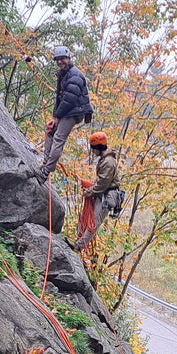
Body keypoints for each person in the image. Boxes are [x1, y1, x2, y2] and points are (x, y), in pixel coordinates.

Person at [38, 47, 93, 180]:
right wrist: (54, 117)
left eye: (62, 59)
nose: (60, 62)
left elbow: (69, 100)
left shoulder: (74, 75)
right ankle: (45, 165)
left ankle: (46, 171)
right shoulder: (64, 74)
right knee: (50, 132)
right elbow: (60, 98)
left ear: (69, 58)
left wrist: (58, 117)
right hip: (69, 110)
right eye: (57, 59)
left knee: (58, 138)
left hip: (74, 111)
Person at [75, 131, 121, 251]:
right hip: (103, 194)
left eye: (94, 149)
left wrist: (89, 192)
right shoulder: (105, 159)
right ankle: (78, 239)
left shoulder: (108, 162)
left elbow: (103, 183)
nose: (93, 151)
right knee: (87, 217)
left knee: (93, 222)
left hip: (107, 196)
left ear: (99, 148)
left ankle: (78, 246)